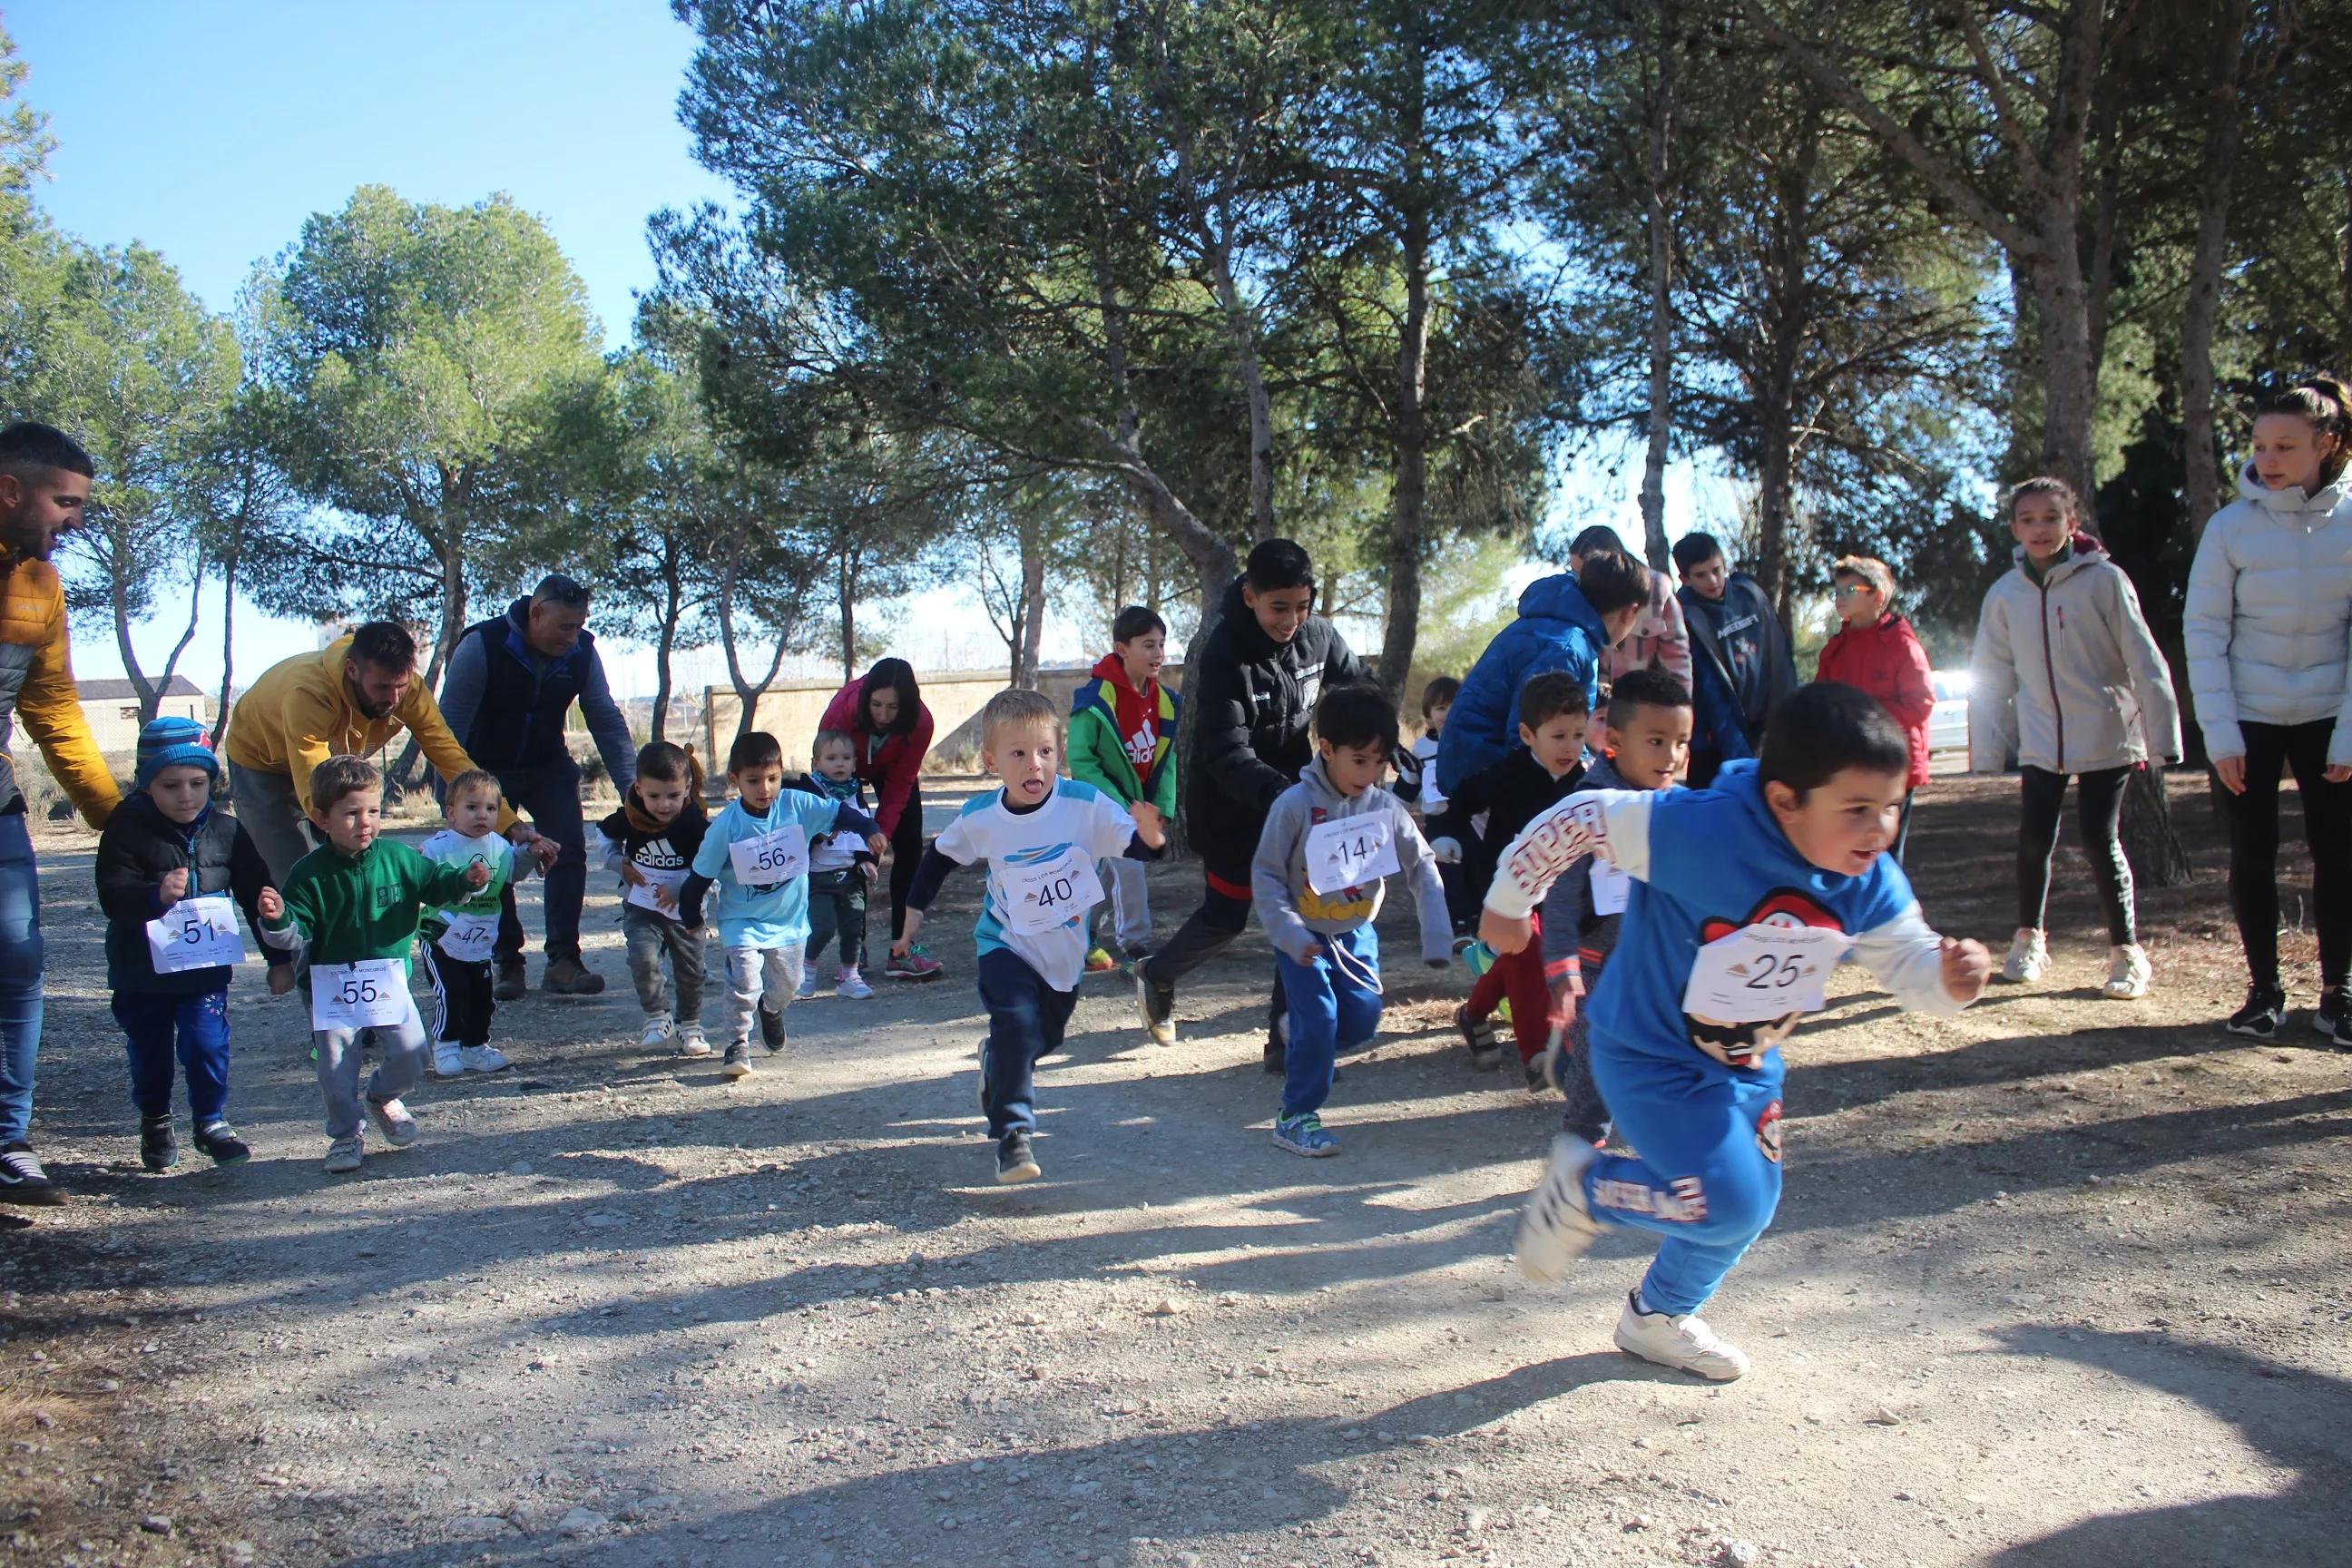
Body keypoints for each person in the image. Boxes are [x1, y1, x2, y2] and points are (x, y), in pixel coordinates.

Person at [1488, 683, 1992, 1380]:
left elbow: (1905, 955)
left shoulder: (1865, 874)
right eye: (1857, 811)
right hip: (1645, 1051)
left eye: (1890, 808)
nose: (1879, 831)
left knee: (1749, 1201)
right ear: (1786, 800)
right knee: (1722, 1202)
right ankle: (1587, 1188)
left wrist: (1950, 981)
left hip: (1747, 1064)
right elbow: (1579, 817)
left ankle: (1656, 1317)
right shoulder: (1701, 829)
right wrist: (1509, 905)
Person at [895, 689, 1166, 1183]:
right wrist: (913, 912)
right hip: (1005, 944)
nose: (1033, 765)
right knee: (1016, 1022)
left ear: (1058, 753)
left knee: (1044, 1036)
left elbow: (1134, 847)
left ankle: (997, 1061)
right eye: (1018, 754)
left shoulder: (1084, 804)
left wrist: (1152, 839)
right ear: (991, 760)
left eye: (1043, 751)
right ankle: (1013, 1137)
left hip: (1063, 957)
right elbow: (938, 858)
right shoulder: (981, 817)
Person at [1132, 539, 1365, 1063]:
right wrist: (1286, 797)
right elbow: (1225, 752)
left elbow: (1357, 690)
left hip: (1299, 798)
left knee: (1305, 913)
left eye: (1301, 607)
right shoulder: (1223, 656)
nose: (1291, 621)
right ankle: (1157, 973)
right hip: (1233, 808)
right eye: (1278, 608)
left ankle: (1287, 1043)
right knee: (1226, 916)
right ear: (1249, 597)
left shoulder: (1320, 636)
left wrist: (1380, 739)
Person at [2185, 377, 2352, 1043]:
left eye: (2286, 445)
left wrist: (2349, 737)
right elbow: (2204, 631)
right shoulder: (2230, 527)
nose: (2269, 458)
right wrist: (2220, 735)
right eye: (2259, 444)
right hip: (2248, 717)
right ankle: (2264, 993)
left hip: (2329, 716)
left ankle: (2339, 994)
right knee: (2252, 853)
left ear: (2328, 443)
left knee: (2338, 855)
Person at [1972, 485, 2182, 1000]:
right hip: (2042, 737)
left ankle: (2127, 953)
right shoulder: (2004, 594)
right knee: (2033, 839)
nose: (2040, 529)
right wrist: (1986, 750)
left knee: (2097, 838)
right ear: (2015, 529)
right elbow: (1991, 671)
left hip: (2106, 732)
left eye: (2050, 517)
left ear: (2072, 521)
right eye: (2028, 519)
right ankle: (2028, 939)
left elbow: (2144, 657)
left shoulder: (2105, 581)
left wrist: (2163, 738)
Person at [259, 756, 491, 1174]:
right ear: (321, 819)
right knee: (335, 1069)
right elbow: (296, 933)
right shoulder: (308, 874)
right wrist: (277, 918)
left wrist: (466, 881)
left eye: (373, 811)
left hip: (387, 983)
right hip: (331, 989)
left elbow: (438, 884)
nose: (365, 822)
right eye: (351, 813)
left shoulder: (399, 859)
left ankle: (382, 1096)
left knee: (414, 1053)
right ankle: (346, 1135)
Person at [0, 422, 122, 1209]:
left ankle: (10, 1140)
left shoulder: (41, 587)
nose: (74, 520)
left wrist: (117, 814)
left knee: (19, 961)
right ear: (11, 490)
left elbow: (51, 708)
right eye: (64, 501)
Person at [1253, 682, 1452, 1157]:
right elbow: (1265, 874)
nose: (1370, 773)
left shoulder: (1385, 808)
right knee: (1319, 1018)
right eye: (1359, 760)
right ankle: (1295, 1115)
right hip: (1302, 938)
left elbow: (1422, 865)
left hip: (1356, 933)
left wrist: (1438, 933)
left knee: (1362, 1021)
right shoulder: (1294, 807)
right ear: (1327, 749)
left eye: (1379, 762)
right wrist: (1288, 932)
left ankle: (1300, 1034)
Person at [94, 720, 292, 1172]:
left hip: (203, 969)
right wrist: (154, 897)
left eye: (198, 783)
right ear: (147, 786)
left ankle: (210, 1121)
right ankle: (156, 1120)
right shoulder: (125, 828)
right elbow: (112, 895)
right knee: (152, 1053)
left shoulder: (228, 832)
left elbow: (254, 893)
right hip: (141, 974)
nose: (187, 795)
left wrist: (278, 956)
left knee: (206, 1044)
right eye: (171, 785)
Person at [437, 574, 640, 999]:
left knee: (567, 845)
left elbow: (603, 718)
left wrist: (632, 789)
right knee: (490, 857)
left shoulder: (582, 652)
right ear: (536, 612)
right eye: (566, 626)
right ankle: (507, 961)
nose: (574, 636)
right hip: (485, 770)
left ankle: (564, 961)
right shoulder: (482, 646)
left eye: (580, 625)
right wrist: (453, 795)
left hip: (548, 764)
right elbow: (448, 725)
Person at [225, 621, 542, 886]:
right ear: (352, 670)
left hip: (327, 765)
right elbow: (314, 777)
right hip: (261, 763)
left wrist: (510, 824)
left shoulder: (408, 692)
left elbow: (449, 756)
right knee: (298, 876)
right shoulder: (308, 692)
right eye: (380, 688)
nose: (392, 698)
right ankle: (298, 960)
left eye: (400, 686)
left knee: (352, 871)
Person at [1537, 669, 1694, 1145]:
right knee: (1599, 1069)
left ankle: (1675, 1156)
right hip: (1598, 968)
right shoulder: (1588, 808)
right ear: (1616, 741)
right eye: (1656, 741)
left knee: (1671, 1061)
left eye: (1681, 742)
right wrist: (1562, 966)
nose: (1671, 756)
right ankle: (1580, 1151)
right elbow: (1560, 896)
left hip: (1664, 966)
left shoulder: (1686, 808)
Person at [680, 732, 884, 1081]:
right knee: (744, 980)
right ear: (734, 781)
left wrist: (869, 830)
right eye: (753, 781)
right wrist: (691, 918)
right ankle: (738, 1042)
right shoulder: (725, 828)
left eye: (772, 779)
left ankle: (771, 1011)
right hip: (741, 920)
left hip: (788, 922)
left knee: (789, 984)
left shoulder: (796, 805)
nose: (765, 788)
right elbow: (699, 878)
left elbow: (840, 814)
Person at [1429, 672, 1591, 1086]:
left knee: (1514, 960)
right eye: (1558, 736)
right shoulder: (1506, 774)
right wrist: (1445, 833)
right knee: (1525, 950)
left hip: (1558, 893)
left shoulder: (1585, 783)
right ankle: (1536, 1053)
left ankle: (1473, 1014)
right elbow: (1459, 803)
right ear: (1527, 734)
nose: (1570, 746)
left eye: (1577, 734)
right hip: (1507, 889)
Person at [1436, 550, 1648, 795]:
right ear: (1630, 611)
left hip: (1480, 766)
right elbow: (1529, 735)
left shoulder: (1563, 632)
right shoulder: (1566, 649)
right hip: (1486, 781)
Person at [1070, 606, 1179, 972]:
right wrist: (1121, 806)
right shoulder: (1094, 701)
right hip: (1104, 806)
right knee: (1130, 866)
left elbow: (1168, 760)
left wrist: (1160, 807)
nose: (1158, 654)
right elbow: (1083, 762)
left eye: (1161, 644)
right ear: (1122, 648)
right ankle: (1136, 947)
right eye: (1148, 645)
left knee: (1102, 874)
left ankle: (1078, 936)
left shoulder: (1164, 702)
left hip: (1140, 807)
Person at [819, 659, 939, 981]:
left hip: (892, 771)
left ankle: (902, 948)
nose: (883, 716)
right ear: (866, 697)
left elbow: (901, 783)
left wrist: (880, 836)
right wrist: (834, 823)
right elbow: (826, 763)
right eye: (875, 705)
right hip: (846, 767)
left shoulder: (921, 724)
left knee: (910, 846)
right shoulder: (842, 712)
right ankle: (853, 952)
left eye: (892, 707)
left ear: (907, 705)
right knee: (846, 852)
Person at [1815, 555, 1936, 862]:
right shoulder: (1835, 649)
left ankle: (1888, 907)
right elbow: (1821, 702)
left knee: (1885, 850)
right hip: (1849, 765)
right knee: (1850, 846)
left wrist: (1864, 719)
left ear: (1877, 596)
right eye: (1837, 592)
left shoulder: (1901, 645)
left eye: (1849, 591)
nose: (1839, 599)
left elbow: (1920, 702)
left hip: (1894, 767)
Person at [596, 740, 712, 1054]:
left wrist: (683, 889)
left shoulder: (694, 825)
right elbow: (604, 835)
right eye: (654, 796)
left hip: (685, 912)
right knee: (642, 957)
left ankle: (690, 1025)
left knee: (690, 969)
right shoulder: (631, 817)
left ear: (687, 787)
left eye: (673, 796)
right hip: (641, 907)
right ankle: (657, 1017)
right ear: (638, 787)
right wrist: (617, 862)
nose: (663, 805)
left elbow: (712, 863)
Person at [414, 770, 531, 1077]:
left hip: (479, 936)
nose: (483, 815)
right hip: (440, 934)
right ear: (451, 812)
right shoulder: (437, 847)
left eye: (491, 809)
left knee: (481, 994)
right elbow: (419, 879)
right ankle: (446, 1045)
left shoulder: (500, 847)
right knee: (452, 990)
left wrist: (532, 851)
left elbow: (513, 873)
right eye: (472, 808)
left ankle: (475, 1047)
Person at [1673, 534, 1798, 788]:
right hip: (1712, 740)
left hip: (1762, 725)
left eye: (1717, 570)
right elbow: (1708, 691)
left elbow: (1779, 660)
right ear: (1684, 578)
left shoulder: (1748, 594)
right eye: (1701, 575)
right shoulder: (1683, 614)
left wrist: (1786, 718)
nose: (1712, 581)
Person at [795, 730, 879, 1000]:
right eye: (831, 758)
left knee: (854, 926)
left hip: (850, 877)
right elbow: (795, 834)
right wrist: (817, 835)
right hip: (817, 877)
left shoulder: (856, 793)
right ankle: (806, 968)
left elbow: (866, 831)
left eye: (846, 758)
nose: (840, 764)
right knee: (822, 926)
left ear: (855, 763)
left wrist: (868, 860)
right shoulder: (809, 794)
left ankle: (849, 975)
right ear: (815, 763)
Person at [1391, 675, 1469, 936]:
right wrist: (1391, 813)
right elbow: (1408, 784)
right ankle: (1453, 923)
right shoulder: (1422, 749)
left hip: (1471, 818)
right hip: (1438, 821)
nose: (1447, 713)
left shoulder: (1472, 741)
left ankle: (1475, 918)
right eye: (1440, 708)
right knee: (1444, 870)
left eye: (1454, 706)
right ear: (1429, 713)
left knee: (1472, 867)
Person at [1570, 525, 1692, 690]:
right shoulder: (1572, 594)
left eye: (1584, 573)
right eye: (1573, 572)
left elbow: (1677, 663)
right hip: (1596, 704)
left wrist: (1677, 710)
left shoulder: (1657, 591)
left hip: (1646, 704)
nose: (1579, 581)